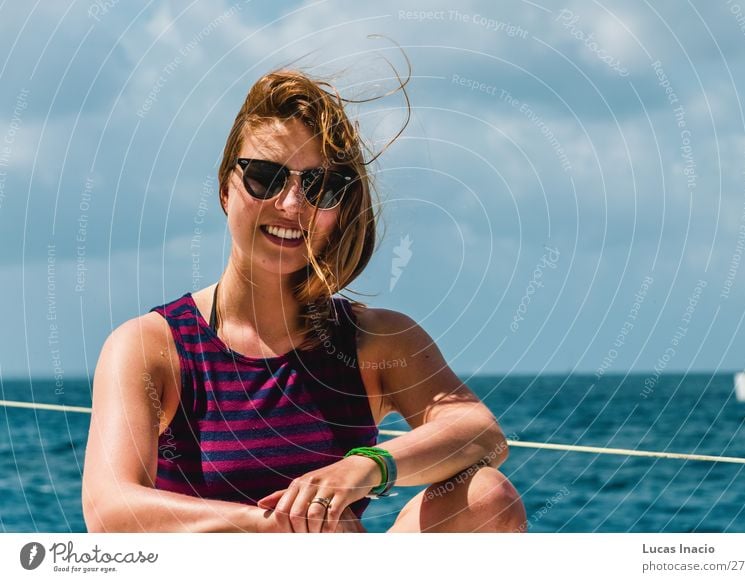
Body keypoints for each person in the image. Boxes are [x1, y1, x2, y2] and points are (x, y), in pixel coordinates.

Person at [82, 69, 526, 533]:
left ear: (340, 209)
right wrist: (278, 528)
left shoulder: (376, 341)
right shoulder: (152, 346)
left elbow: (482, 435)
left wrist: (366, 467)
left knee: (487, 497)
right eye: (265, 177)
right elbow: (109, 511)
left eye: (320, 186)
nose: (293, 204)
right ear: (224, 190)